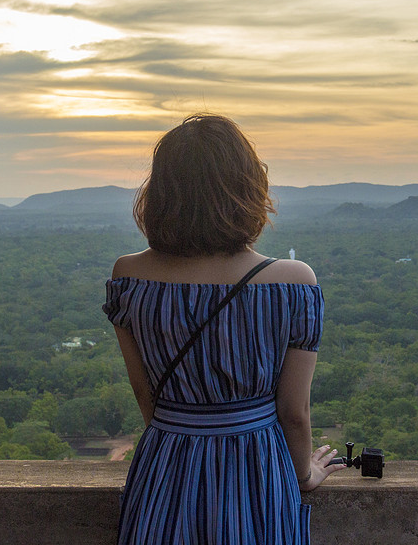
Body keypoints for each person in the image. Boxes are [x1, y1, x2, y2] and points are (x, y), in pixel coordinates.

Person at [103, 113, 343, 544]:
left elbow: (147, 396)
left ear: (161, 194)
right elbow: (293, 412)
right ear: (247, 188)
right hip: (258, 473)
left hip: (164, 468)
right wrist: (305, 473)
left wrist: (183, 442)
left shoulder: (129, 278)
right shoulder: (293, 283)